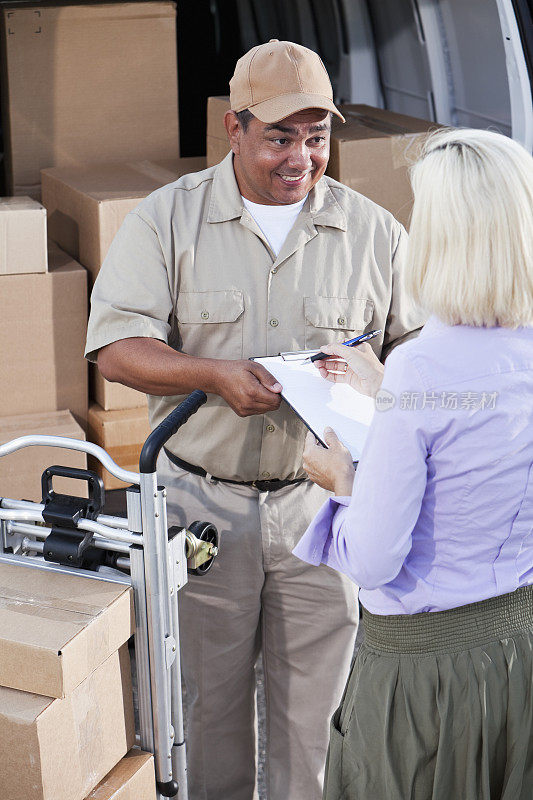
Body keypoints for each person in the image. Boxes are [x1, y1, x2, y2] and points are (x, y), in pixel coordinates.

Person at [85, 40, 424, 800]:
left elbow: (422, 359)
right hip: (200, 510)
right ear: (232, 130)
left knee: (318, 718)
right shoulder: (167, 219)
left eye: (316, 136)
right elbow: (114, 348)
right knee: (207, 710)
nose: (300, 157)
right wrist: (211, 375)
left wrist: (380, 378)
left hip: (323, 510)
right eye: (279, 137)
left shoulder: (374, 233)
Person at [294, 127, 533, 800]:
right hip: (518, 653)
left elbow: (373, 560)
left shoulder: (421, 365)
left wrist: (341, 483)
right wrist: (392, 392)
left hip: (422, 673)